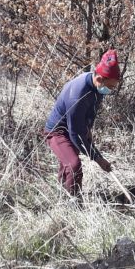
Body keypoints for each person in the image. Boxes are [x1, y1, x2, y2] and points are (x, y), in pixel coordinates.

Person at [44, 49, 121, 196]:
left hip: (74, 127)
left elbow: (89, 113)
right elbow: (75, 134)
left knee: (68, 163)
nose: (111, 90)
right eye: (110, 87)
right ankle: (74, 202)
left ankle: (62, 194)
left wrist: (88, 128)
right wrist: (97, 158)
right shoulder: (78, 95)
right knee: (74, 165)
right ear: (99, 79)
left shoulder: (97, 86)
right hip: (57, 131)